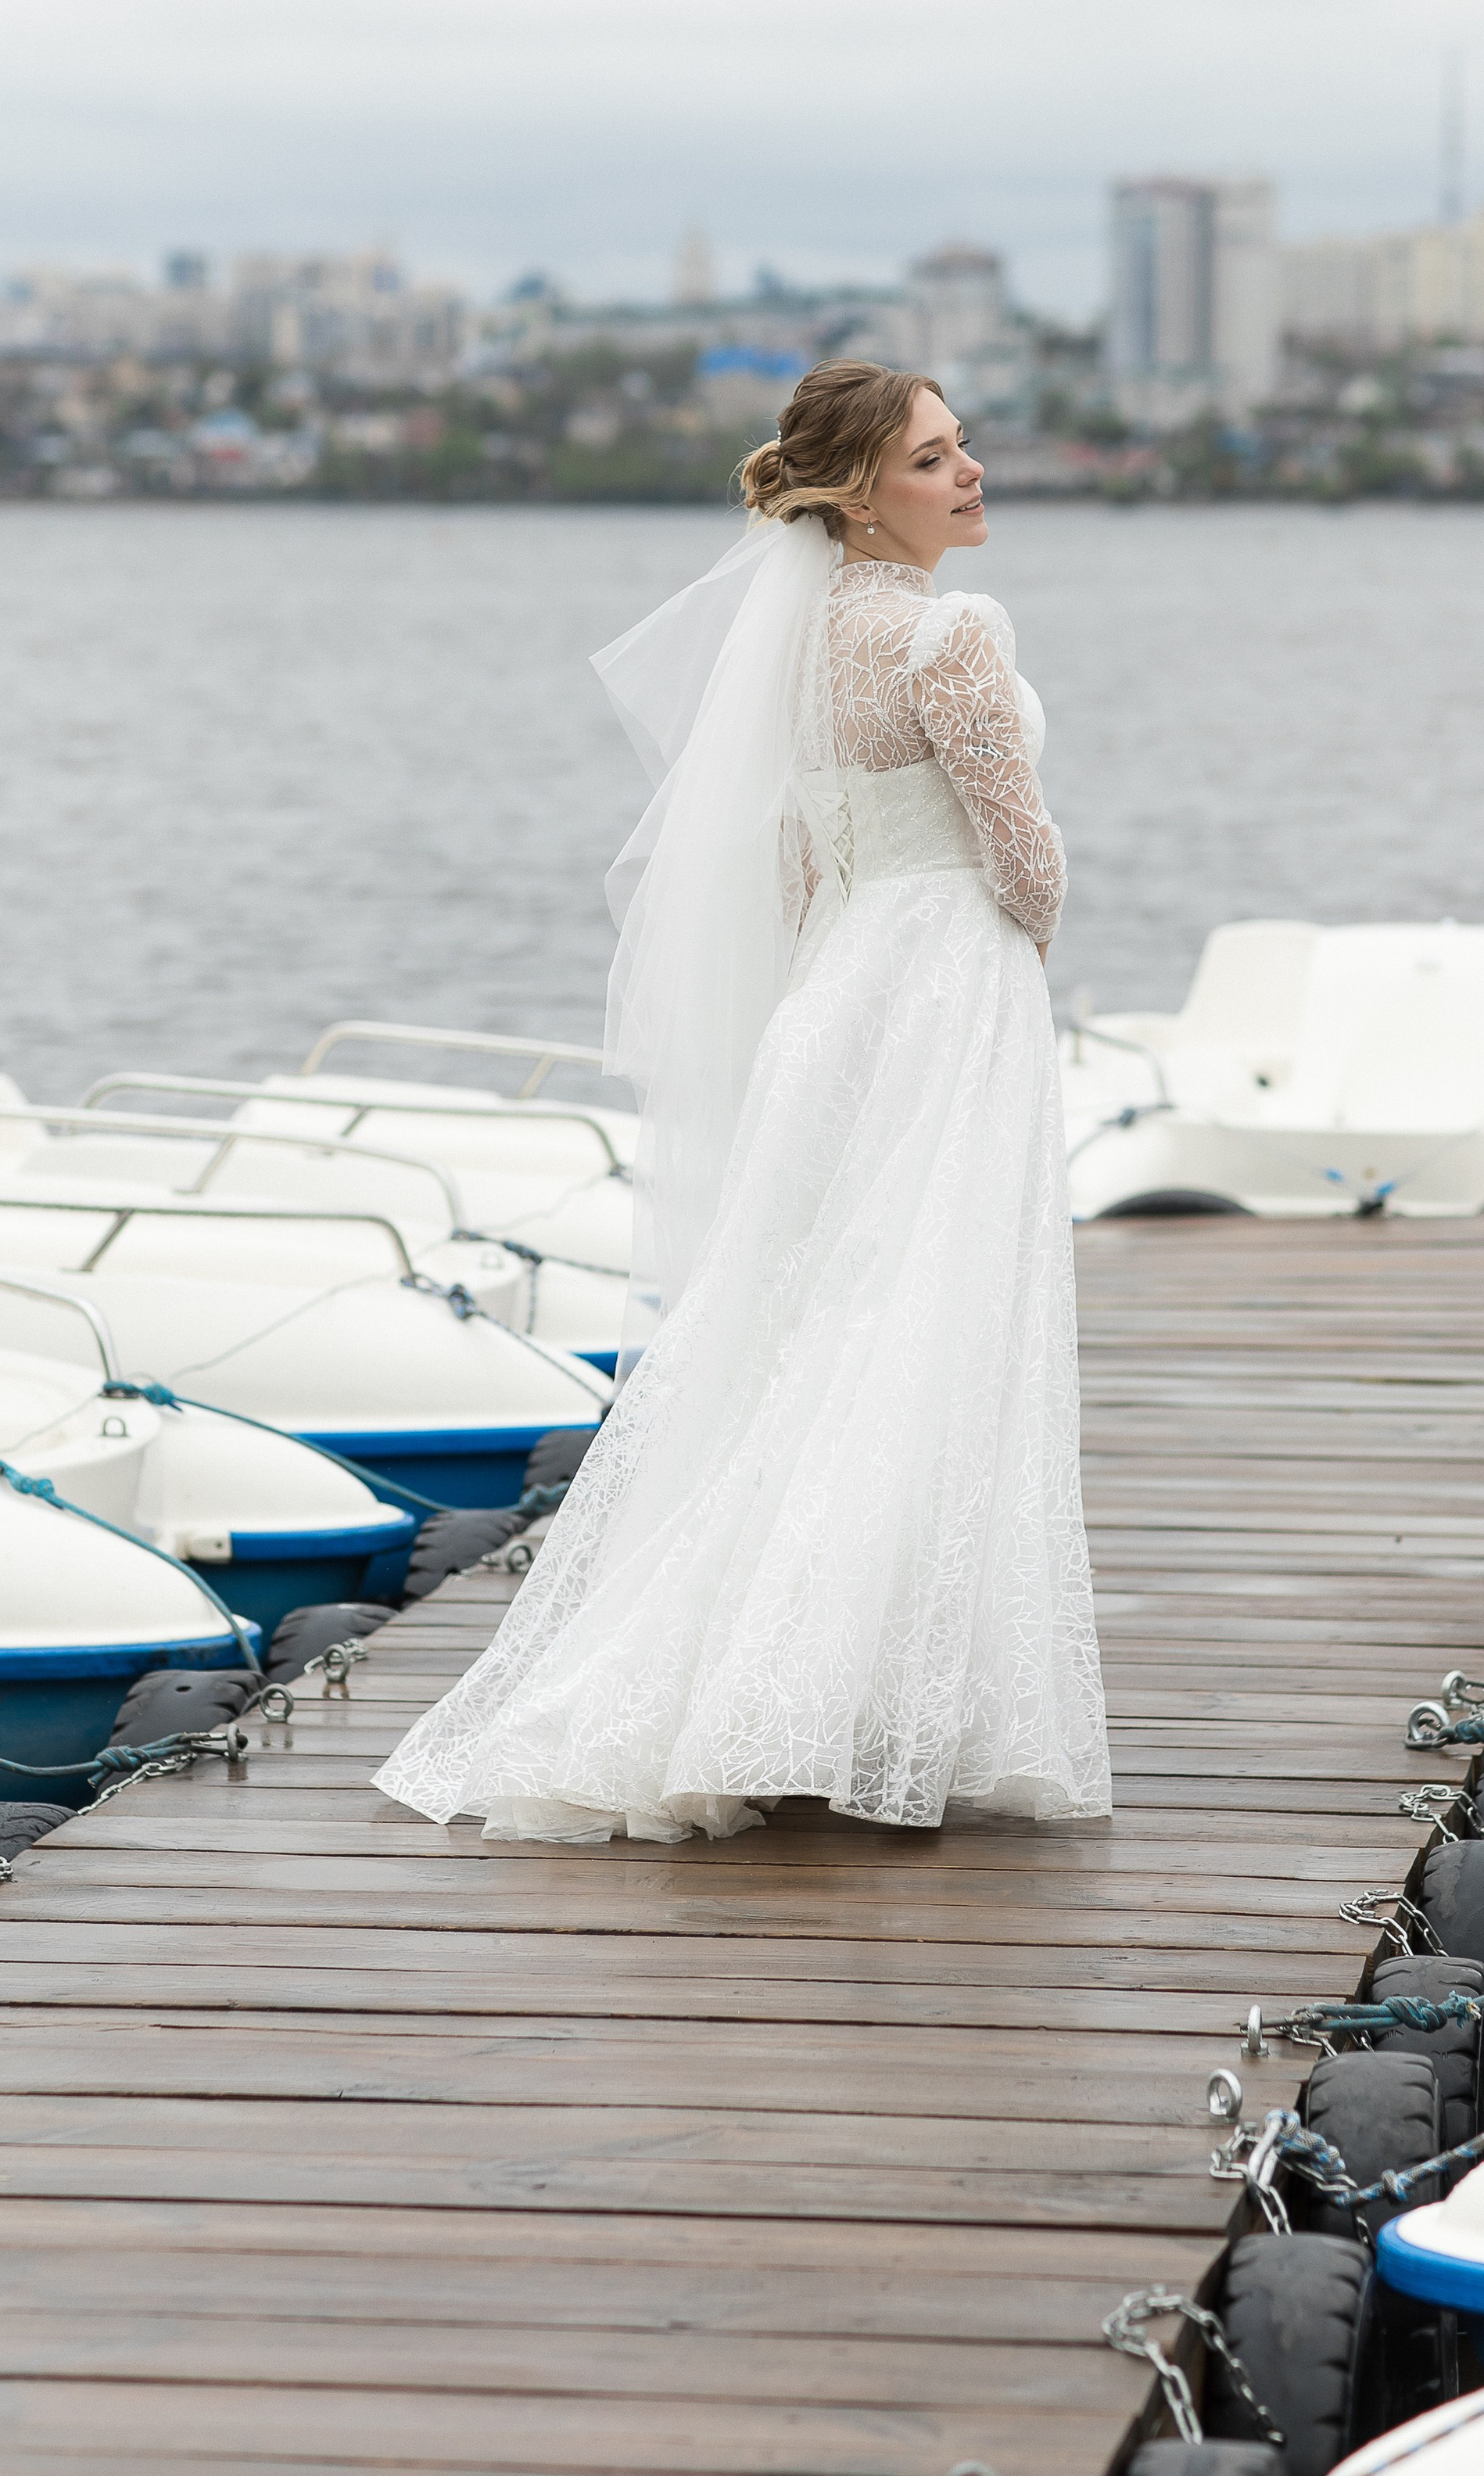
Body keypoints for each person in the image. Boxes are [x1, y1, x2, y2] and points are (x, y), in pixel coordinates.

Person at [374, 360, 1109, 1843]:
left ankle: (764, 1688)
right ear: (858, 491)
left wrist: (847, 963)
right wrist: (1016, 943)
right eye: (931, 459)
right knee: (926, 1320)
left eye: (965, 449)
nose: (968, 475)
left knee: (803, 1319)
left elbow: (792, 856)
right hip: (946, 982)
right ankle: (821, 1694)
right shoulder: (954, 633)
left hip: (837, 992)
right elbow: (1022, 858)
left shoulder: (792, 642)